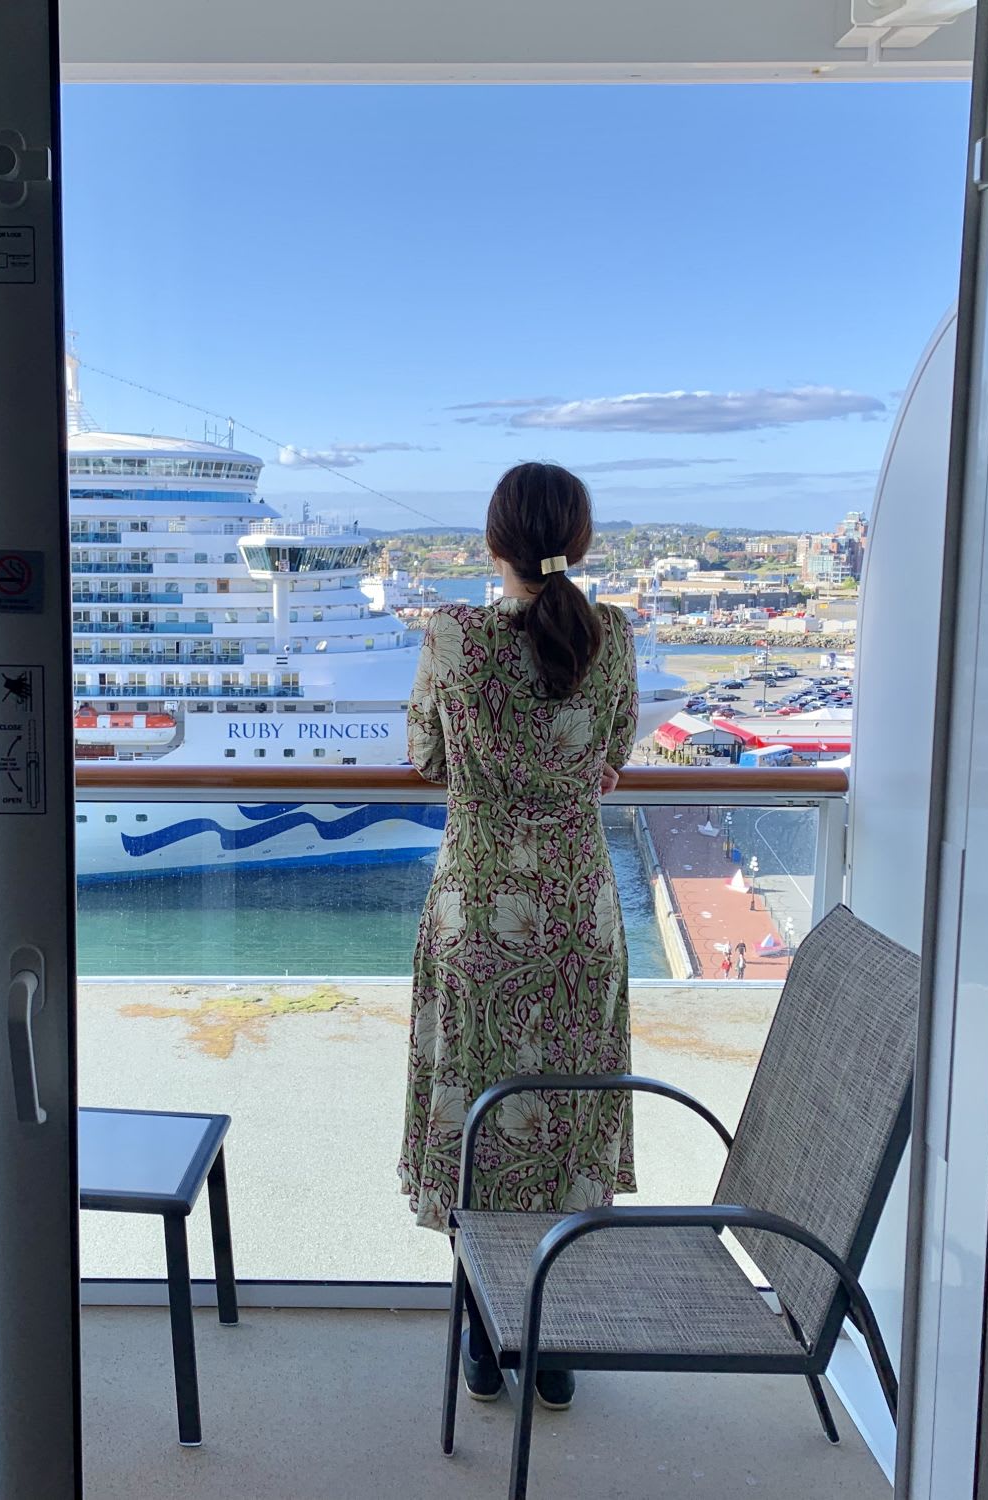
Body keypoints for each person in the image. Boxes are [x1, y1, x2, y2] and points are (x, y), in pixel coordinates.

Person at [398, 462, 639, 1414]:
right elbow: (612, 756)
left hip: (479, 915)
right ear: (578, 542)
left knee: (477, 1114)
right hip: (579, 917)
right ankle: (554, 1336)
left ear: (494, 543)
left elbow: (426, 758)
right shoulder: (613, 636)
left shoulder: (453, 637)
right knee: (566, 1116)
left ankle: (481, 1334)